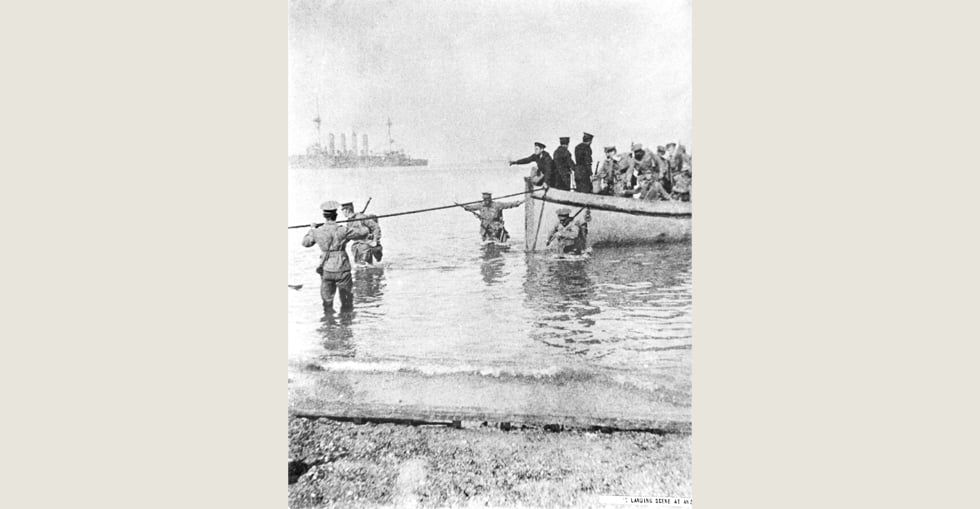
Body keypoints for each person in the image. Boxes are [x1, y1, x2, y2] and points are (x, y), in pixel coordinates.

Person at [302, 200, 370, 313]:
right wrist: (363, 220)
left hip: (326, 269)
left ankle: (329, 327)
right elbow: (363, 232)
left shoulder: (317, 231)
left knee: (327, 304)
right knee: (347, 304)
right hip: (342, 269)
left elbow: (305, 243)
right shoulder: (342, 230)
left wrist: (312, 229)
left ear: (324, 216)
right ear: (336, 215)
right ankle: (345, 328)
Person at [460, 192, 524, 242]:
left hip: (496, 229)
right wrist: (465, 207)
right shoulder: (481, 205)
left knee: (499, 243)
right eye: (484, 199)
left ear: (490, 199)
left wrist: (519, 202)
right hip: (485, 229)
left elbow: (509, 205)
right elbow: (470, 207)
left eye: (487, 199)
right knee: (487, 244)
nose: (485, 201)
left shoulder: (497, 205)